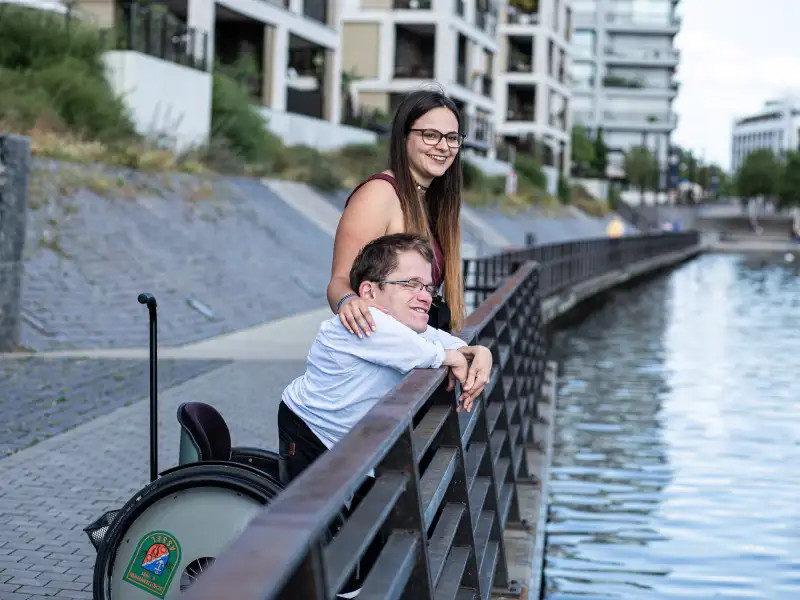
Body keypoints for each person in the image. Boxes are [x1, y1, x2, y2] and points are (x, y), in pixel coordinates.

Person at [279, 233, 493, 599]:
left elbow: (439, 340)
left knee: (370, 533)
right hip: (308, 432)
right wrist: (453, 357)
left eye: (427, 286)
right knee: (319, 543)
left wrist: (477, 352)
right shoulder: (360, 323)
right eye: (410, 283)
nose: (425, 295)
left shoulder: (406, 329)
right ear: (369, 293)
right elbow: (423, 350)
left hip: (354, 446)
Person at [327, 89, 466, 339]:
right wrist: (349, 301)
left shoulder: (431, 200)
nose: (444, 147)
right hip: (385, 356)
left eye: (452, 138)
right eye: (430, 135)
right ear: (403, 137)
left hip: (419, 352)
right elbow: (339, 281)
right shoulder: (380, 193)